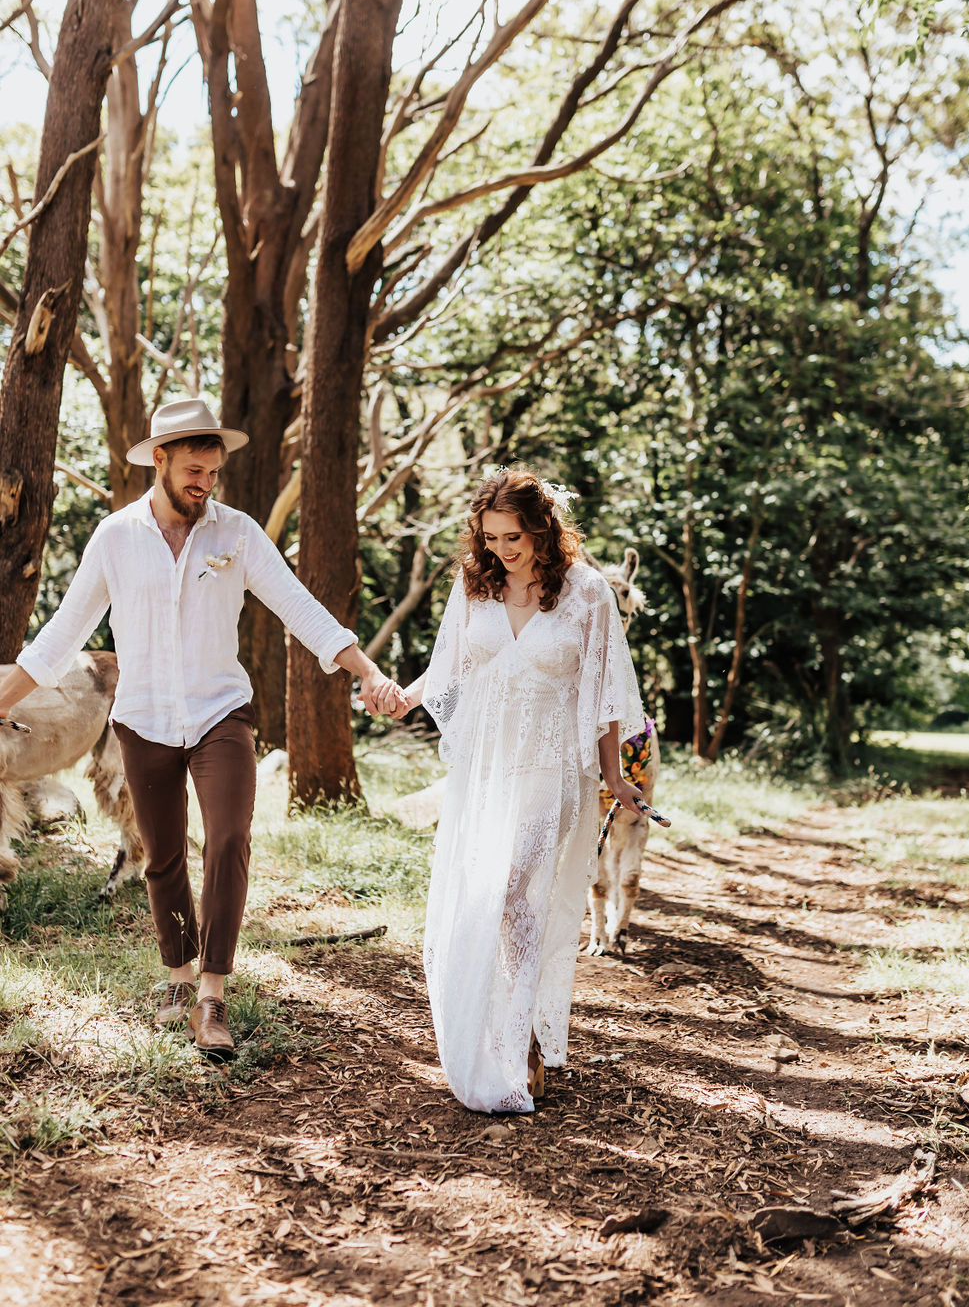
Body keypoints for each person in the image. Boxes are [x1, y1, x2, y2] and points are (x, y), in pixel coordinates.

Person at [0, 399, 405, 1059]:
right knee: (162, 859)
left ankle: (213, 996)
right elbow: (57, 641)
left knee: (227, 838)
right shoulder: (116, 537)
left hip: (221, 712)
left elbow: (298, 606)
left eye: (213, 473)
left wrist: (364, 670)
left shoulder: (236, 534)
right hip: (144, 720)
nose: (205, 484)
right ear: (158, 460)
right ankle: (178, 982)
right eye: (194, 471)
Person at [393, 468, 651, 1114]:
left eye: (514, 536)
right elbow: (449, 661)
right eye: (492, 537)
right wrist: (404, 697)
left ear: (542, 528)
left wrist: (615, 777)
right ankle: (521, 1029)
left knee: (511, 886)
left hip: (550, 765)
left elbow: (602, 693)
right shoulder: (474, 583)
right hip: (485, 766)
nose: (504, 550)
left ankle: (515, 1037)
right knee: (498, 896)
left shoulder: (587, 593)